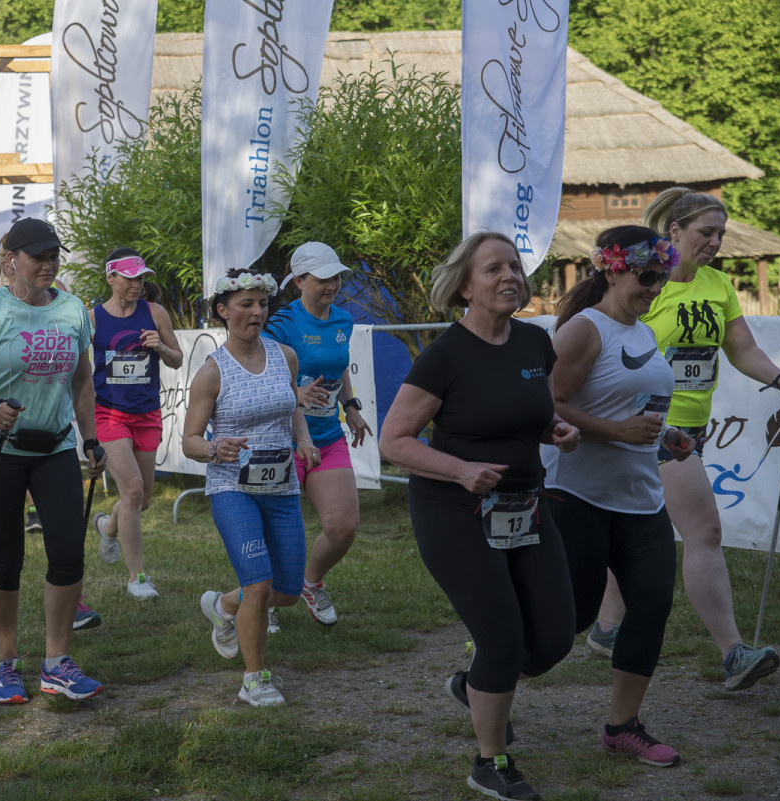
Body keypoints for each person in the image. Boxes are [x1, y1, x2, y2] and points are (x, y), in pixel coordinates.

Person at [377, 233, 580, 801]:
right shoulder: (444, 356)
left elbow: (527, 414)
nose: (509, 276)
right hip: (455, 509)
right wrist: (460, 470)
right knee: (501, 637)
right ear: (465, 285)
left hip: (525, 505)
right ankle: (491, 762)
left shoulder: (535, 342)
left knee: (555, 638)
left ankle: (474, 688)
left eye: (514, 266)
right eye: (493, 269)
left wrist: (554, 430)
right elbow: (395, 441)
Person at [590, 188, 780, 691]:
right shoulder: (647, 285)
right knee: (704, 532)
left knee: (633, 533)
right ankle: (733, 652)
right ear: (674, 232)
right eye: (705, 232)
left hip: (691, 431)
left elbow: (741, 347)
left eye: (720, 235)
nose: (714, 243)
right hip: (643, 427)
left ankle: (604, 628)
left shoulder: (717, 284)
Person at [0, 217, 106, 704]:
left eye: (54, 255)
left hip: (54, 448)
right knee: (6, 557)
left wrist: (90, 440)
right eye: (39, 256)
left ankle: (56, 663)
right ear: (12, 261)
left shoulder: (73, 310)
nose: (49, 263)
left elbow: (81, 382)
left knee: (69, 551)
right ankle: (6, 664)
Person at [545, 226, 695, 769]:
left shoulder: (645, 332)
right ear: (612, 269)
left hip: (641, 498)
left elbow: (639, 411)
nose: (655, 287)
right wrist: (615, 432)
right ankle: (484, 681)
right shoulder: (585, 331)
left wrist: (665, 437)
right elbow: (548, 403)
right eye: (646, 276)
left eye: (661, 276)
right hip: (578, 495)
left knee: (652, 603)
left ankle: (621, 728)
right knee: (570, 621)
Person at [182, 268, 322, 707]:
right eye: (246, 304)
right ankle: (254, 679)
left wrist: (303, 439)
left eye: (262, 304)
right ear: (224, 311)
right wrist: (214, 448)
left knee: (286, 593)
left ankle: (224, 605)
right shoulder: (212, 371)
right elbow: (189, 441)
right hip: (232, 488)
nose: (257, 312)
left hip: (281, 487)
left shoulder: (286, 356)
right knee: (259, 588)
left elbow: (290, 405)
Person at [261, 242, 372, 631]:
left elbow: (338, 368)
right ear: (299, 281)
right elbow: (263, 371)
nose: (332, 285)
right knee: (276, 530)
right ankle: (266, 596)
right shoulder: (280, 322)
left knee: (343, 527)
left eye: (336, 277)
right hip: (281, 439)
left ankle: (310, 584)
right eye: (322, 278)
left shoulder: (342, 320)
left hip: (326, 435)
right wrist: (294, 394)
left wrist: (352, 406)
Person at [88, 248, 183, 600]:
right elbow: (80, 370)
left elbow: (177, 359)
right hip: (109, 414)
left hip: (146, 414)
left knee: (141, 499)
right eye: (129, 278)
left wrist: (160, 346)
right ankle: (136, 578)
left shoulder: (154, 312)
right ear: (110, 278)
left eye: (141, 277)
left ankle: (107, 526)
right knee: (130, 490)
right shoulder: (93, 318)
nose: (137, 284)